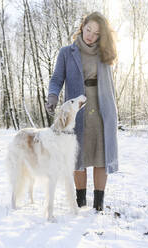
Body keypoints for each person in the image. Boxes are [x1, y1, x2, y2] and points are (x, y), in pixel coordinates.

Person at [45, 11, 118, 211]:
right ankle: (80, 203)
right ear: (82, 27)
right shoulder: (67, 52)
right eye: (88, 30)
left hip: (103, 107)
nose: (90, 36)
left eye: (96, 33)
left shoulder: (105, 53)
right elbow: (57, 79)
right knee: (79, 156)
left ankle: (99, 206)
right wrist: (53, 96)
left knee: (101, 155)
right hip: (78, 110)